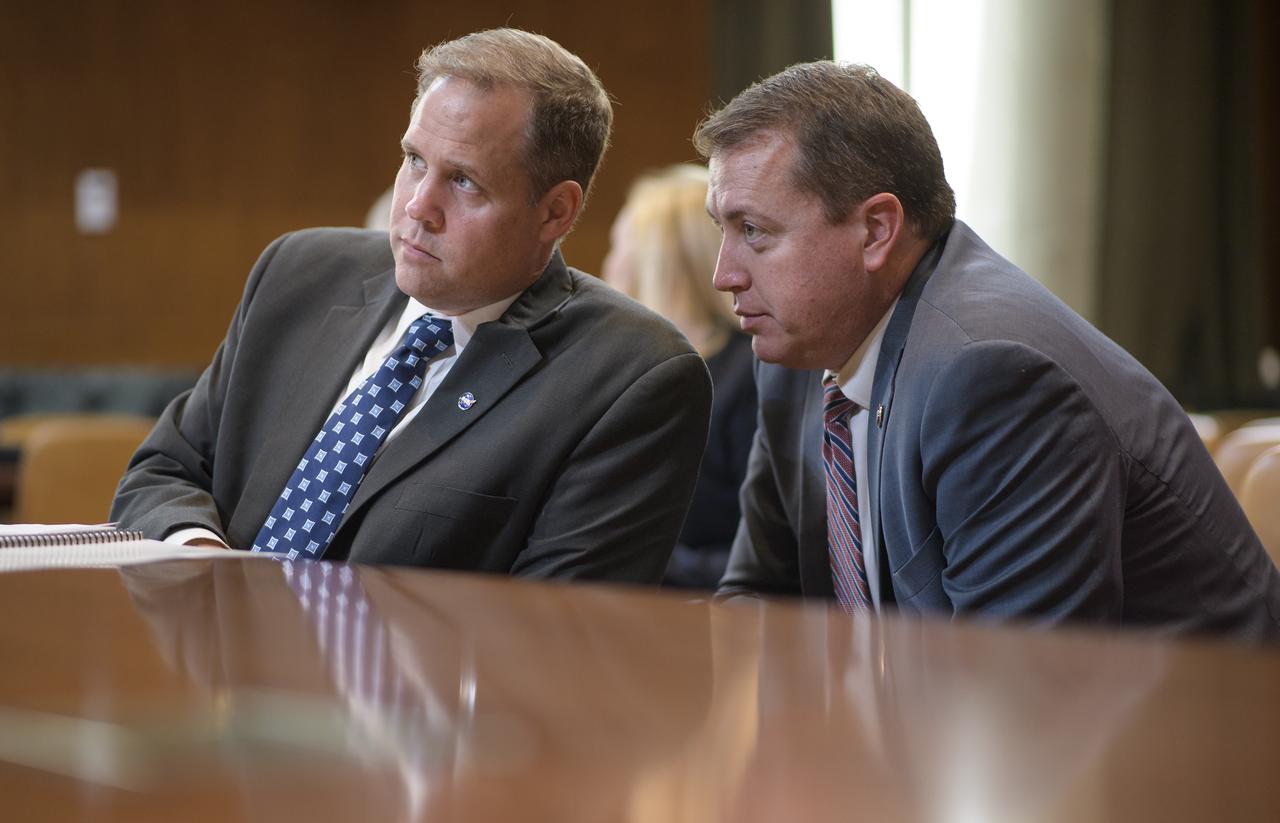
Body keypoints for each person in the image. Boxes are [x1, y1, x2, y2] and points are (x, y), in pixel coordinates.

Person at [698, 61, 1280, 640]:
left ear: (876, 231)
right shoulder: (800, 350)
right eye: (721, 230)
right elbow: (758, 594)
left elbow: (1014, 689)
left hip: (1194, 726)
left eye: (753, 231)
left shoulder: (991, 374)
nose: (725, 274)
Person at [111, 29, 712, 583]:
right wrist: (207, 566)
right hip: (207, 676)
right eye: (414, 160)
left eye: (464, 182)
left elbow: (552, 632)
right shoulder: (299, 275)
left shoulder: (630, 376)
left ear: (556, 211)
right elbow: (165, 469)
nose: (417, 206)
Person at [601, 165, 756, 589]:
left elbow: (767, 553)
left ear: (655, 264)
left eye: (617, 248)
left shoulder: (752, 376)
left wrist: (638, 565)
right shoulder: (622, 375)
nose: (605, 267)